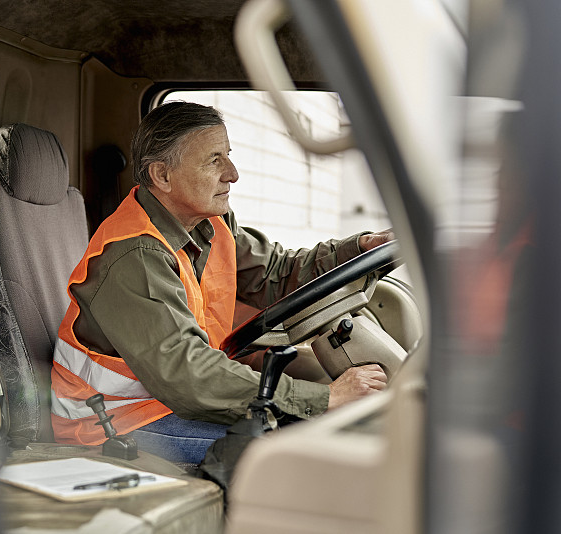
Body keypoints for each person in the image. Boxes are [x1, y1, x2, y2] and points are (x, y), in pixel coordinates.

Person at [50, 102, 391, 463]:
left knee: (316, 429)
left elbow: (276, 273)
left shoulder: (210, 223)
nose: (233, 173)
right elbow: (187, 374)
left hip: (174, 398)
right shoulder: (134, 254)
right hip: (115, 423)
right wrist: (325, 399)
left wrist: (357, 249)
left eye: (228, 155)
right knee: (296, 454)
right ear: (162, 176)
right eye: (214, 160)